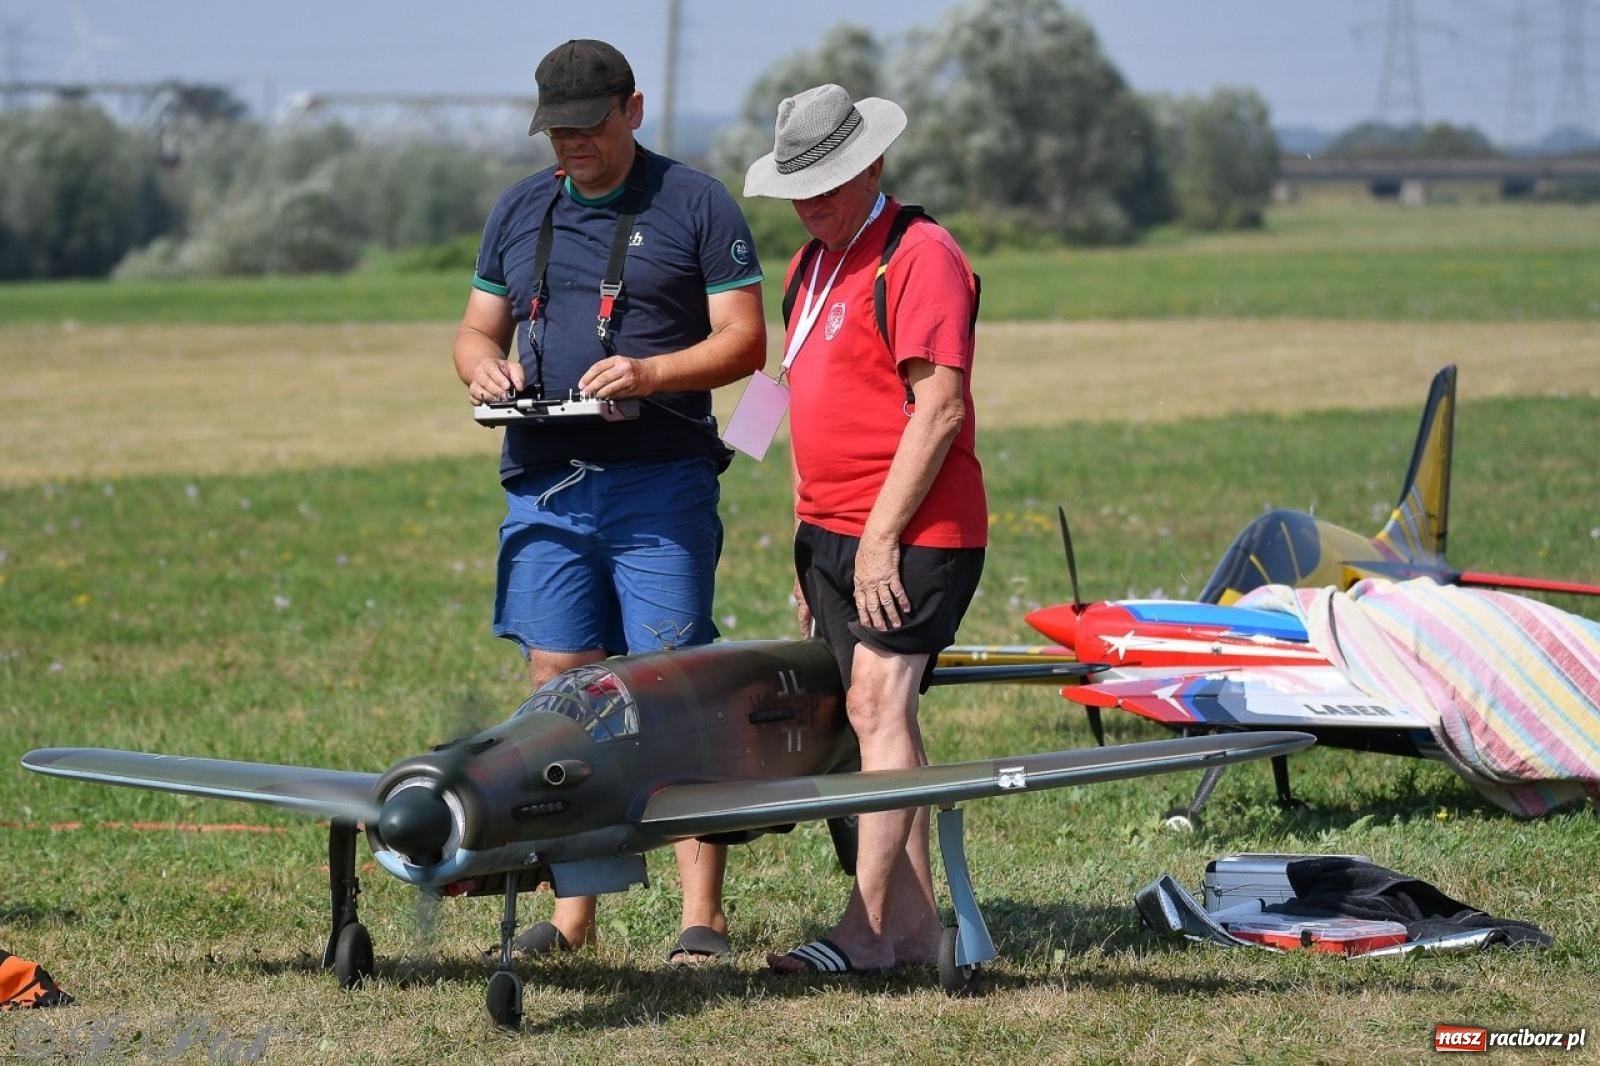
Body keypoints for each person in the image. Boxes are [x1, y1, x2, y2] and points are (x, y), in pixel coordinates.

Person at [453, 39, 766, 964]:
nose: (572, 145)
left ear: (633, 110)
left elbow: (746, 342)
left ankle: (701, 917)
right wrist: (484, 369)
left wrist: (650, 373)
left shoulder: (697, 203)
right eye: (556, 131)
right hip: (546, 486)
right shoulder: (519, 207)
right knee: (559, 690)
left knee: (675, 686)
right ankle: (573, 915)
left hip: (660, 480)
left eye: (588, 126)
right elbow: (474, 329)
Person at [743, 84, 986, 973]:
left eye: (829, 184)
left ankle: (861, 929)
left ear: (874, 166)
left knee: (877, 706)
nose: (811, 204)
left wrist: (880, 538)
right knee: (878, 721)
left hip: (916, 531)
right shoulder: (807, 269)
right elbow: (790, 393)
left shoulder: (921, 255)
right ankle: (911, 936)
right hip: (830, 534)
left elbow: (940, 409)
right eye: (798, 190)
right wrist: (800, 535)